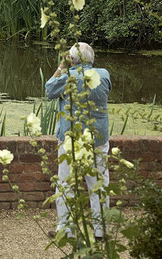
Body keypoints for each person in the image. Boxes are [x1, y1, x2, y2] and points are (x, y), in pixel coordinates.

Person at [45, 42, 112, 239]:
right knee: (99, 183)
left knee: (66, 183)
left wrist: (61, 67)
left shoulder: (67, 77)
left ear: (71, 59)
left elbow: (49, 90)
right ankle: (102, 231)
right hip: (98, 136)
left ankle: (66, 230)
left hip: (71, 139)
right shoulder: (104, 74)